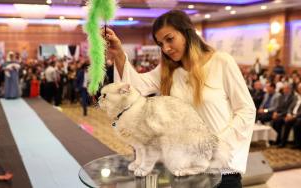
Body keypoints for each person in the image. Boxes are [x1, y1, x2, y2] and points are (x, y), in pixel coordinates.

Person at [104, 10, 256, 188]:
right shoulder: (167, 71)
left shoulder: (222, 62)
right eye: (161, 43)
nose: (166, 48)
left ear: (187, 33)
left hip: (221, 170)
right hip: (184, 171)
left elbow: (246, 109)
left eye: (170, 39)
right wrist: (119, 54)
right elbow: (134, 88)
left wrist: (217, 142)